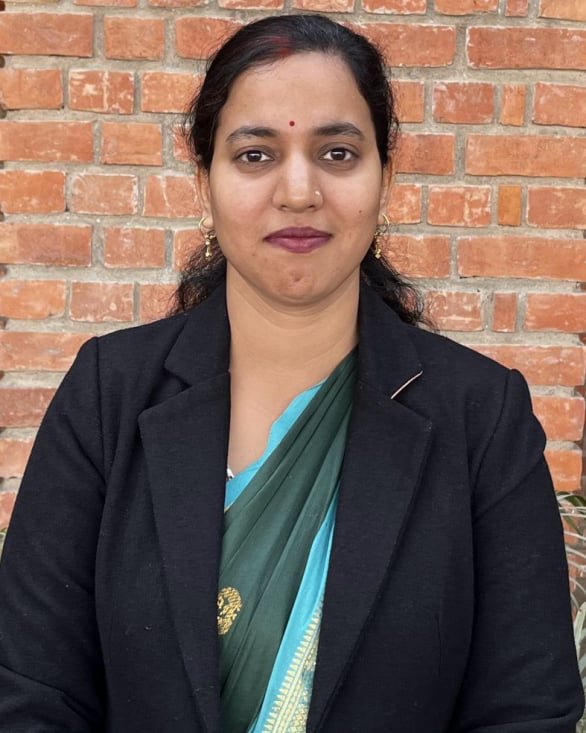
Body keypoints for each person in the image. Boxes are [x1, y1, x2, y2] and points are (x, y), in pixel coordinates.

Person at [0, 14, 582, 733]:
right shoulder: (108, 397)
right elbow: (32, 695)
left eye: (338, 153)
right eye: (255, 155)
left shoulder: (480, 419)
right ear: (205, 179)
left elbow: (527, 712)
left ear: (385, 176)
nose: (299, 190)